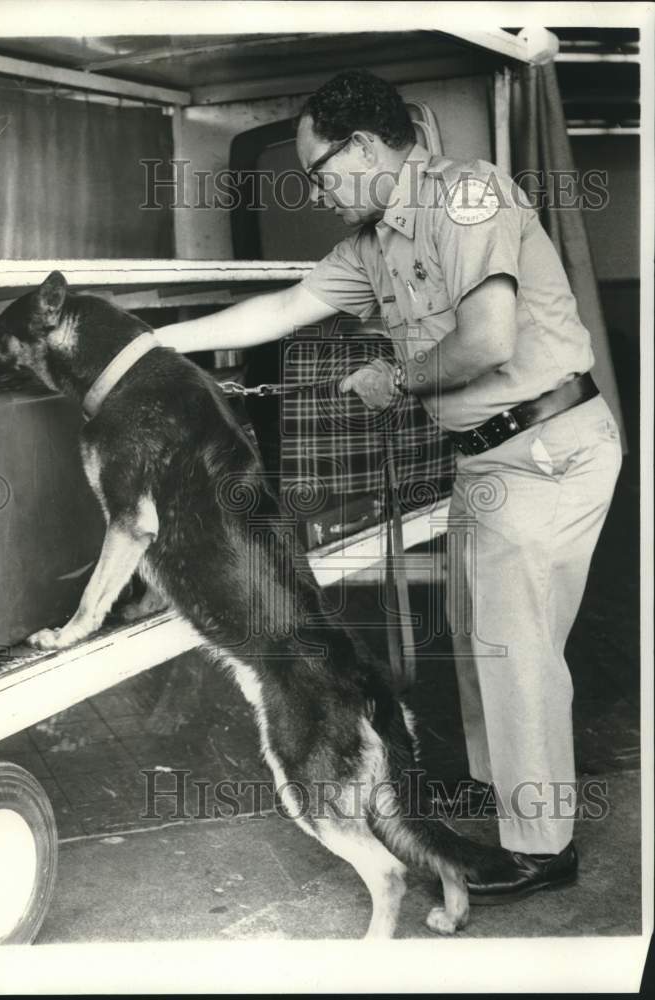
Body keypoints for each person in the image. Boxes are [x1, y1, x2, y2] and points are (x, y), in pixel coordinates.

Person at [154, 70, 622, 903]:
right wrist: (151, 344)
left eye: (319, 169)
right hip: (485, 457)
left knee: (515, 650)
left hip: (548, 445)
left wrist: (397, 381)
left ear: (365, 147)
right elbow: (279, 310)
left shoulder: (468, 196)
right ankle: (498, 790)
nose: (315, 189)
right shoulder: (372, 244)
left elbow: (485, 341)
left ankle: (541, 848)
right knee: (480, 634)